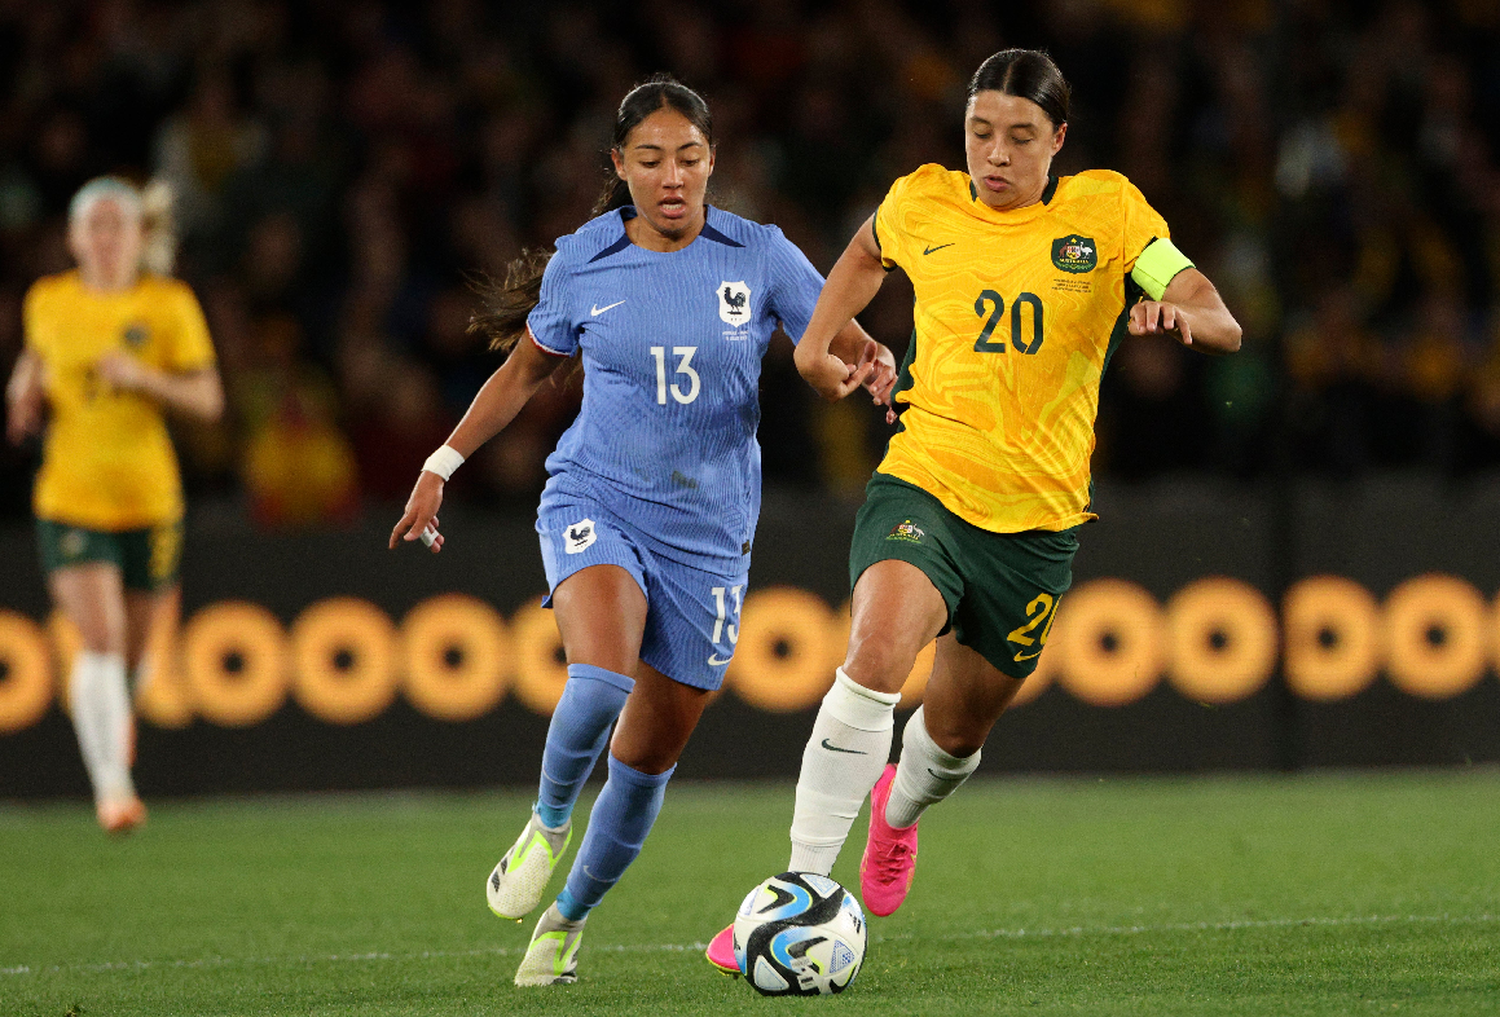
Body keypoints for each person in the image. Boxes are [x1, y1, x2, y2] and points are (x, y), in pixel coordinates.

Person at [706, 48, 1242, 971]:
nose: (995, 155)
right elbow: (869, 250)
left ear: (1058, 141)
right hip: (926, 479)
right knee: (874, 653)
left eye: (1020, 137)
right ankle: (794, 895)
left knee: (953, 734)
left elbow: (1210, 305)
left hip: (1035, 526)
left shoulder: (1107, 212)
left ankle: (896, 810)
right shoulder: (924, 199)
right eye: (979, 133)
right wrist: (815, 342)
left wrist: (1188, 317)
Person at [388, 76, 895, 987]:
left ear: (713, 164)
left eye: (690, 158)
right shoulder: (583, 261)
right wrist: (441, 464)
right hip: (598, 497)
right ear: (618, 167)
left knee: (646, 759)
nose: (673, 178)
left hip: (709, 538)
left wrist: (868, 363)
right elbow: (522, 374)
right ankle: (544, 824)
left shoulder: (762, 256)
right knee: (599, 675)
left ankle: (566, 920)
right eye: (651, 160)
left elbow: (837, 342)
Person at [4, 177, 224, 834]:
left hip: (151, 501)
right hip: (70, 499)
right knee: (98, 638)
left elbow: (209, 401)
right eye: (92, 227)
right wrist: (22, 392)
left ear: (138, 237)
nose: (104, 239)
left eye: (116, 227)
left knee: (131, 656)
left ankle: (113, 742)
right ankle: (113, 788)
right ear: (72, 238)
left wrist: (144, 377)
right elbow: (36, 360)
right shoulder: (48, 299)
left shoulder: (168, 303)